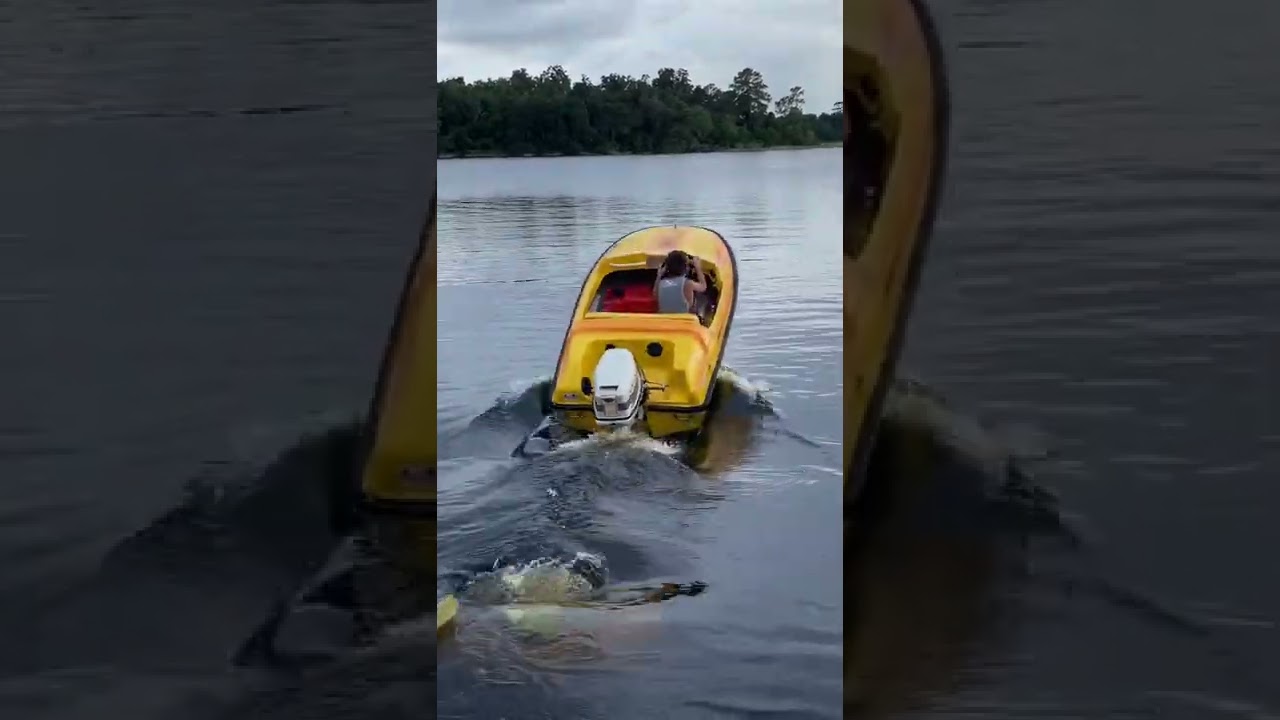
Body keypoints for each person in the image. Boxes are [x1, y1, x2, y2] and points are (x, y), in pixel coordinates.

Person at [654, 250, 707, 315]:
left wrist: (659, 275)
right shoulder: (687, 283)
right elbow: (703, 286)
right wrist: (698, 267)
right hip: (683, 320)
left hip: (665, 320)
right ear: (685, 268)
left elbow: (655, 295)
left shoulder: (661, 283)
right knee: (703, 300)